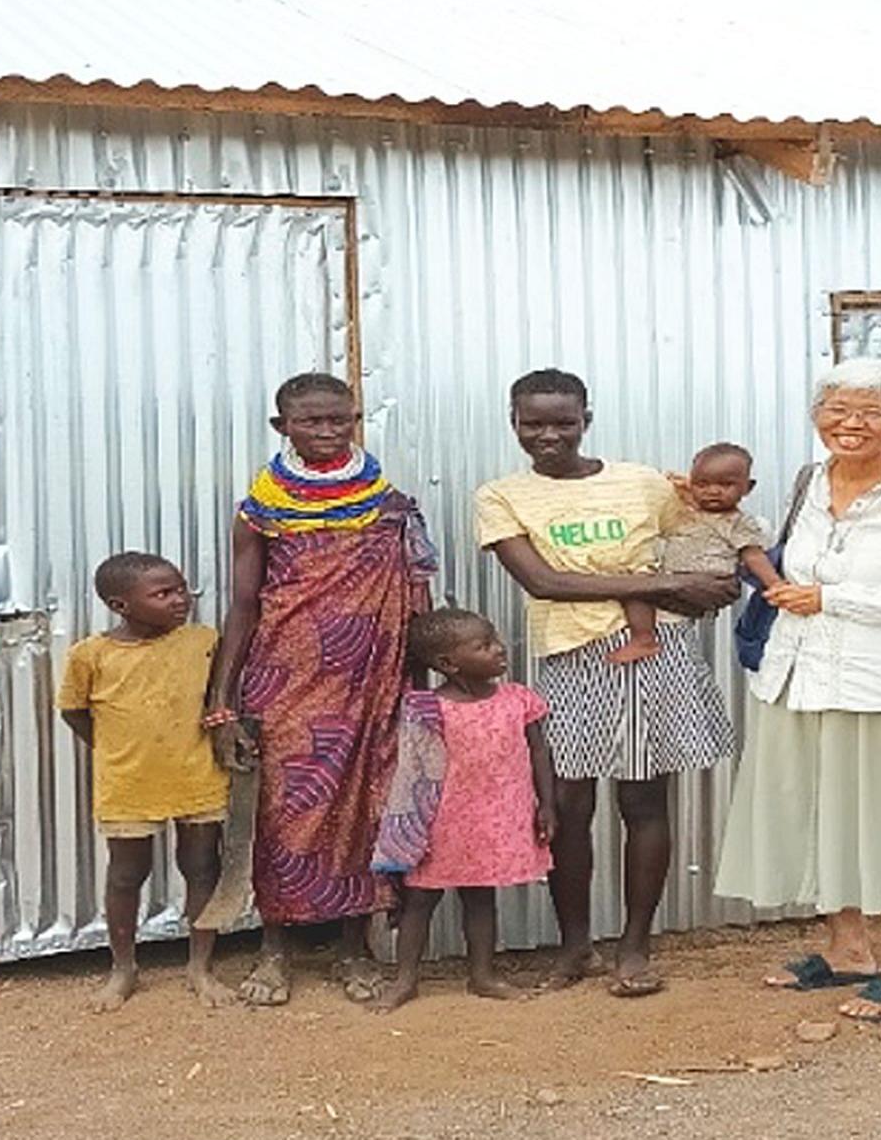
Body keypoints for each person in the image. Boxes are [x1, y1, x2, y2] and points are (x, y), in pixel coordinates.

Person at [714, 359, 881, 1023]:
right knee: (819, 814)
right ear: (816, 415)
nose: (850, 423)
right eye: (836, 408)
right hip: (800, 676)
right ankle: (848, 949)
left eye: (871, 412)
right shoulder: (811, 482)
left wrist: (837, 598)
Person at [476, 369, 740, 996]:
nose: (548, 435)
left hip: (655, 651)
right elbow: (545, 583)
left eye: (563, 422)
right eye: (532, 423)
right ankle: (575, 947)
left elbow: (703, 537)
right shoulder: (501, 495)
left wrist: (718, 581)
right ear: (512, 422)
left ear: (586, 418)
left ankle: (635, 948)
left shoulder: (645, 482)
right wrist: (663, 586)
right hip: (570, 654)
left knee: (644, 802)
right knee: (567, 807)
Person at [204, 373, 436, 1006]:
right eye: (312, 422)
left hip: (372, 682)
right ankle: (274, 949)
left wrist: (420, 691)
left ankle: (353, 951)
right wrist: (223, 702)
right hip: (286, 678)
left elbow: (417, 605)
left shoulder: (390, 508)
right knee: (283, 811)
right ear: (283, 427)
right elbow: (244, 605)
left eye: (340, 419)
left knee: (365, 809)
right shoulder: (260, 510)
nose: (329, 431)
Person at [55, 552, 233, 1010]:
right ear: (121, 605)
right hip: (129, 783)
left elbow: (218, 698)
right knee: (126, 874)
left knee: (201, 867)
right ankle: (123, 968)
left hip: (196, 776)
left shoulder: (203, 642)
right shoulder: (90, 655)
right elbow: (74, 711)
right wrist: (117, 749)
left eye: (181, 589)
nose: (180, 601)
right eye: (163, 594)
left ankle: (200, 966)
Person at [369, 608, 557, 1011]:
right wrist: (408, 829)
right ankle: (405, 979)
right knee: (420, 900)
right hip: (442, 824)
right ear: (448, 664)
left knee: (480, 897)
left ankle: (483, 975)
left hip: (492, 822)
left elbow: (540, 751)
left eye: (495, 640)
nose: (499, 649)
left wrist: (547, 805)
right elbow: (413, 771)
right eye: (484, 645)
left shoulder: (518, 700)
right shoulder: (428, 709)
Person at [610, 442, 783, 665]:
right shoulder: (685, 512)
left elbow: (753, 556)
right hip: (672, 580)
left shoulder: (738, 522)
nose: (713, 491)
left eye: (726, 484)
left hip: (707, 582)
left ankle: (644, 640)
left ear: (747, 488)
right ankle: (646, 637)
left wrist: (775, 584)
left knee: (638, 589)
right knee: (632, 585)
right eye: (702, 484)